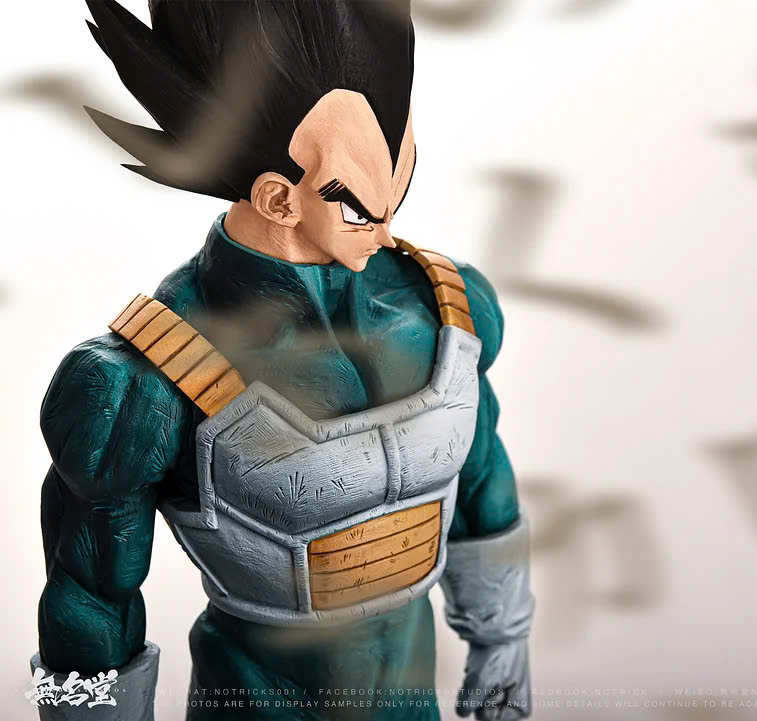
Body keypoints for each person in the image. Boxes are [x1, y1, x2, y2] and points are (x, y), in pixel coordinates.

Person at [30, 2, 533, 719]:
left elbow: (481, 479)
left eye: (401, 184)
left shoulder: (445, 308)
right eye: (361, 209)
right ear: (277, 197)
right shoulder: (137, 381)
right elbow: (89, 596)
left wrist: (503, 637)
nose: (387, 232)